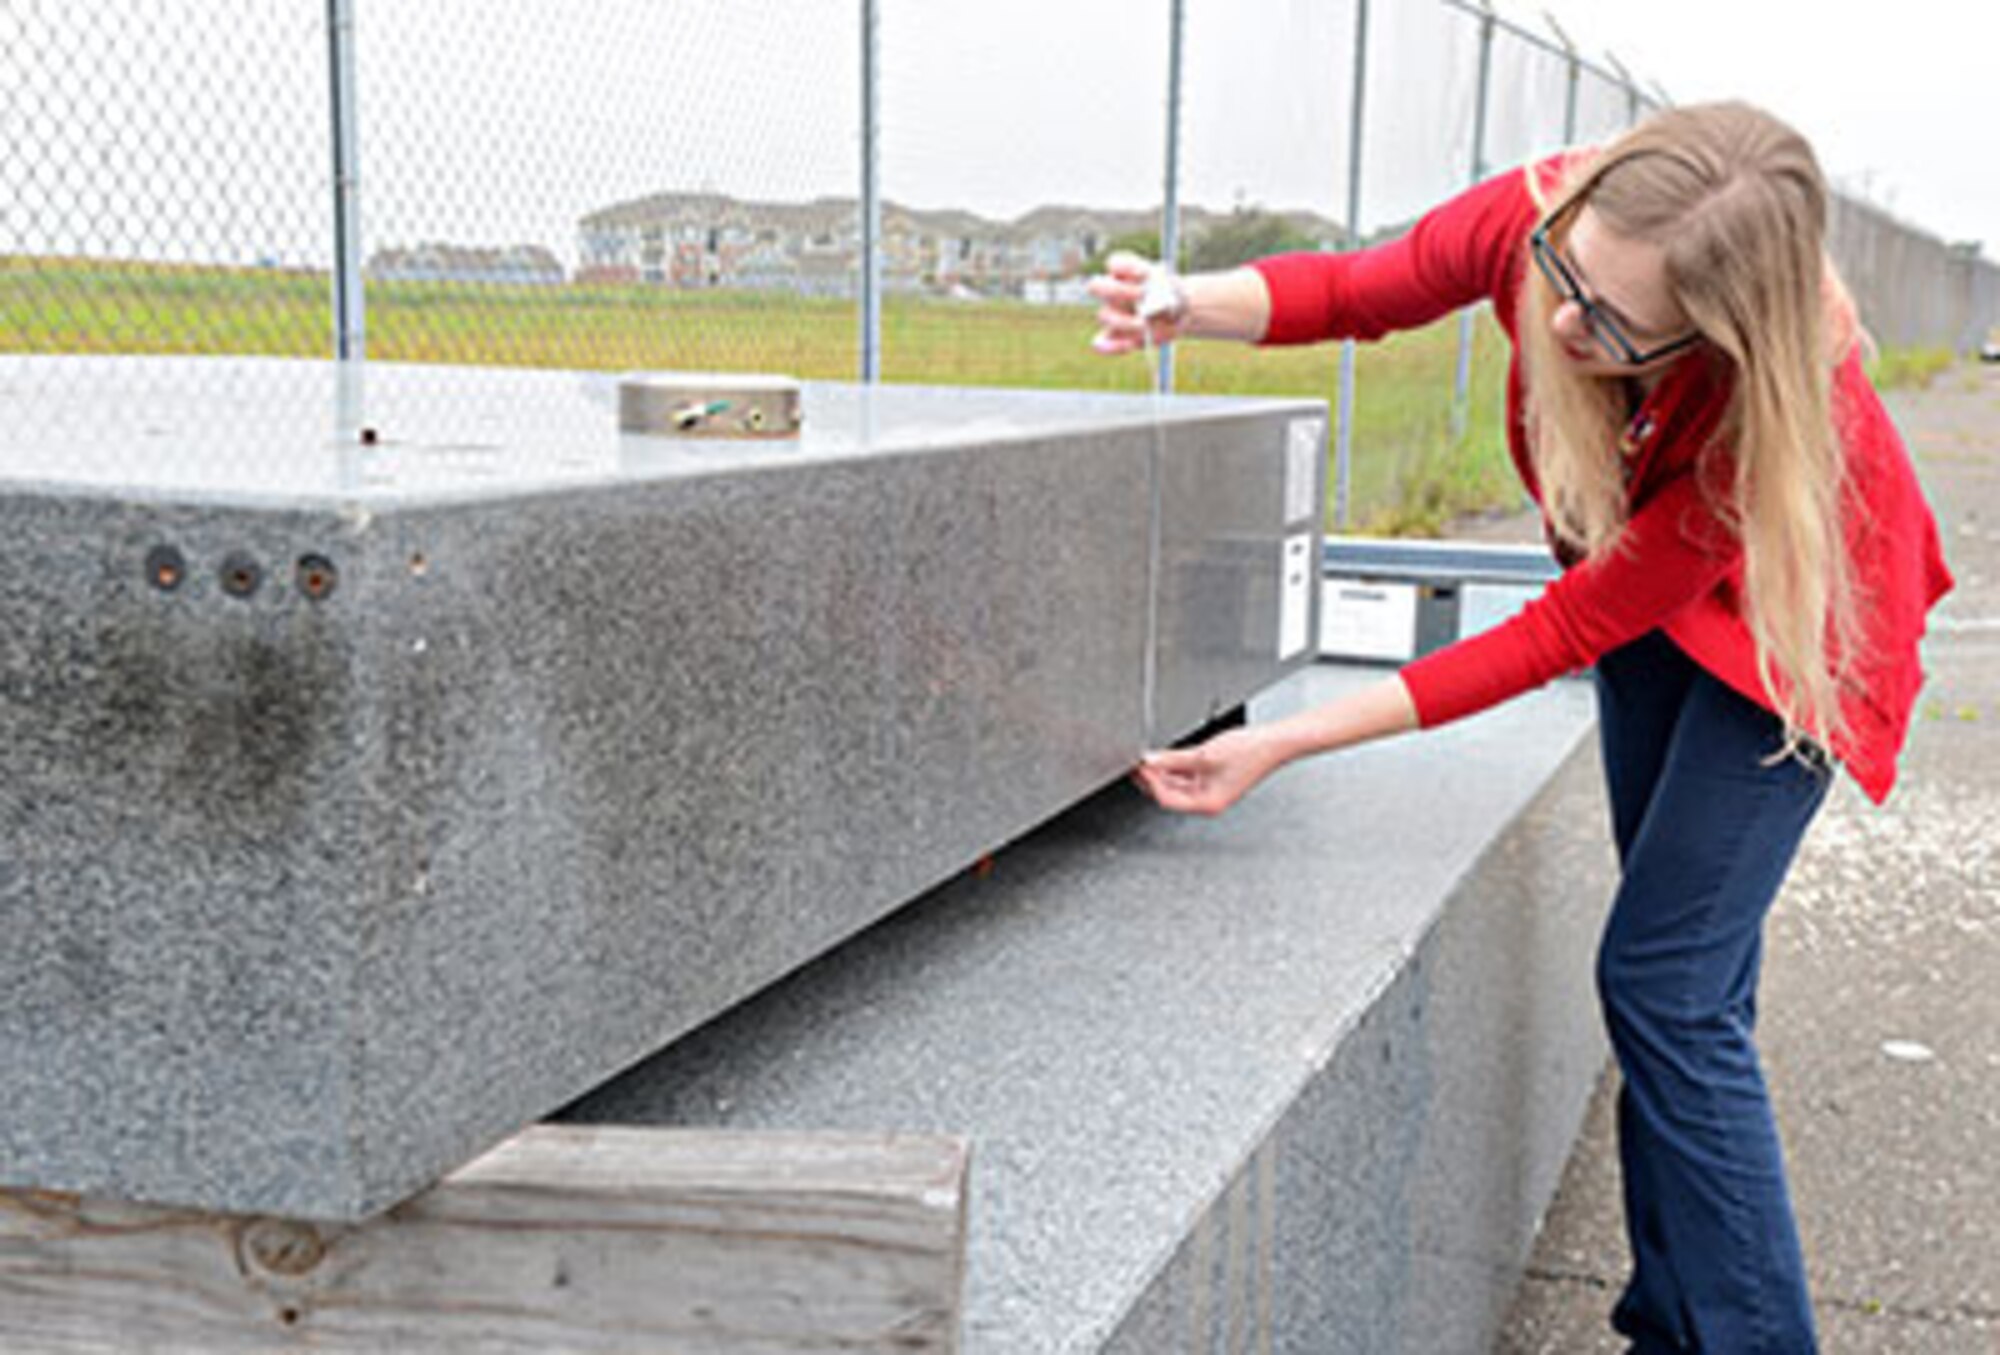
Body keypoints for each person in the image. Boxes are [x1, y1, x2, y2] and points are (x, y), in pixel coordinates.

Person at [1090, 101, 1953, 1354]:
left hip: (1796, 622)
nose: (1559, 322)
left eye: (1610, 327)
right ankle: (1676, 1316)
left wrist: (1279, 739)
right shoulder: (1548, 217)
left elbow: (1553, 634)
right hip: (1658, 598)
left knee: (1664, 981)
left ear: (1707, 337)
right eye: (1565, 274)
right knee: (1689, 983)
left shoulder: (1752, 420)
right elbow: (1355, 287)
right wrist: (1182, 301)